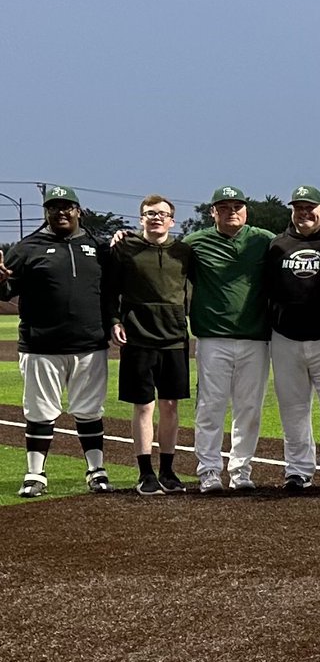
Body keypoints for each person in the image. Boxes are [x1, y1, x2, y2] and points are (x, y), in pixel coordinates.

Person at [0, 185, 113, 497]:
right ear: (46, 212)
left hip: (90, 345)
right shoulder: (27, 247)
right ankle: (35, 474)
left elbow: (113, 290)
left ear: (78, 210)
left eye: (67, 207)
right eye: (54, 207)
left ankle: (96, 471)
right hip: (41, 346)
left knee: (90, 410)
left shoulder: (96, 246)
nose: (61, 212)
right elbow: (6, 290)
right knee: (39, 412)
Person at [265, 185, 320, 493]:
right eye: (298, 208)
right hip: (286, 336)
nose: (304, 213)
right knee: (293, 408)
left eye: (310, 207)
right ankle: (297, 470)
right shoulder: (277, 245)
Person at [184, 185, 274, 493]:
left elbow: (295, 249)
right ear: (212, 212)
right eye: (223, 207)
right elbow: (162, 256)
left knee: (249, 408)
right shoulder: (195, 243)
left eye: (236, 206)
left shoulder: (263, 240)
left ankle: (240, 470)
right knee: (211, 406)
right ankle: (209, 470)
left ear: (246, 210)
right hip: (213, 338)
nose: (231, 211)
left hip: (255, 337)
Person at [107, 195, 191, 496]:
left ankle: (168, 471)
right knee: (144, 406)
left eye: (162, 214)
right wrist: (114, 321)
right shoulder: (124, 249)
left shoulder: (184, 251)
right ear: (141, 218)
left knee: (170, 405)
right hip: (138, 338)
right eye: (150, 213)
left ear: (172, 220)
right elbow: (110, 290)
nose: (156, 218)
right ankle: (145, 473)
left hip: (175, 338)